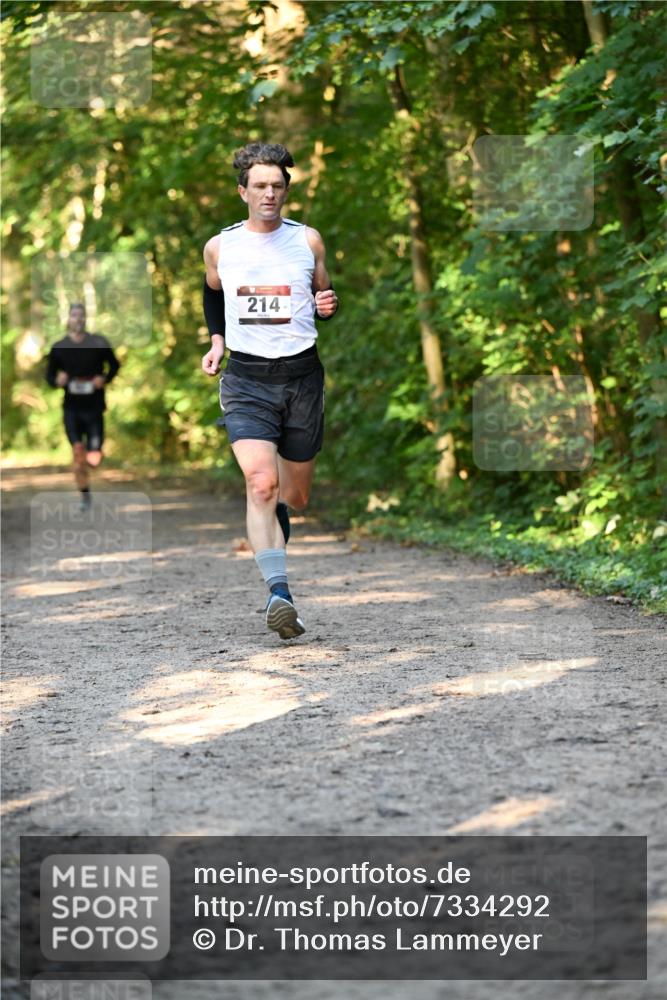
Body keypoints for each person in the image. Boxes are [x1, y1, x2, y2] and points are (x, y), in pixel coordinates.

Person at [201, 142, 338, 640]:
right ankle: (279, 593)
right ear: (243, 191)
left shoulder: (308, 242)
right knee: (261, 483)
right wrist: (217, 341)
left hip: (302, 377)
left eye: (277, 186)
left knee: (294, 497)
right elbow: (212, 292)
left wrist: (328, 305)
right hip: (246, 380)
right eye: (259, 185)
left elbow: (325, 295)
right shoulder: (221, 246)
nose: (269, 194)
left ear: (286, 191)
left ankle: (278, 517)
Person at [46, 303, 120, 510]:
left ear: (85, 319)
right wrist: (56, 380)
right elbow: (49, 376)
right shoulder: (59, 347)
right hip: (71, 408)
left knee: (94, 457)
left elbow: (114, 365)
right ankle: (85, 496)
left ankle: (91, 457)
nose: (77, 319)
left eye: (81, 316)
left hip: (94, 407)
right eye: (74, 315)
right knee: (78, 452)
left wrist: (103, 379)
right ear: (68, 319)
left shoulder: (98, 342)